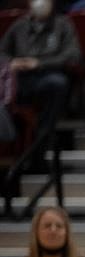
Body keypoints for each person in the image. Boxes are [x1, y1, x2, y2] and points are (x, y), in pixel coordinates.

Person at [0, 0, 80, 171]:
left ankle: (41, 145)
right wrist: (11, 62)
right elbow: (2, 51)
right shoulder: (19, 25)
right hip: (20, 78)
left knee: (57, 83)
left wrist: (39, 63)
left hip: (49, 74)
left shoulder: (63, 24)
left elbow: (72, 54)